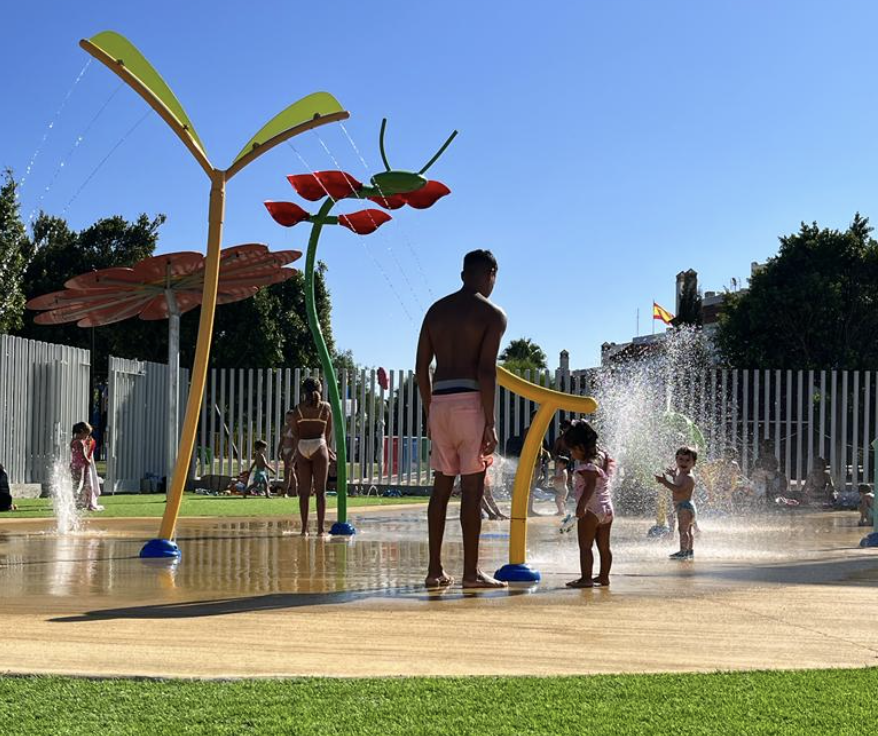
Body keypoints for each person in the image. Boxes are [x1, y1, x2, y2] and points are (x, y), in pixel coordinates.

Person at [416, 249, 508, 589]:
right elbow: (486, 370)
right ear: (491, 275)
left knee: (440, 489)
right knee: (471, 491)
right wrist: (491, 422)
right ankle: (471, 573)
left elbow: (420, 368)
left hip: (440, 401)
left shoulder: (436, 311)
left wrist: (430, 409)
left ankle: (434, 570)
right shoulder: (493, 315)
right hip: (471, 402)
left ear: (462, 274)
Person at [563, 421, 615, 588]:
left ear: (579, 447)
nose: (571, 454)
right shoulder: (603, 456)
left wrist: (581, 506)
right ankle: (603, 577)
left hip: (591, 510)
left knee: (585, 547)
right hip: (606, 509)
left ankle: (586, 578)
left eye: (572, 450)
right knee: (604, 547)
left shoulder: (587, 466)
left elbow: (591, 484)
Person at [292, 377, 333, 536]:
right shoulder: (325, 407)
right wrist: (327, 448)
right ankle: (321, 530)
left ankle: (304, 530)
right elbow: (328, 431)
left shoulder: (298, 409)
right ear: (320, 389)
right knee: (320, 491)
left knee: (304, 492)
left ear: (304, 391)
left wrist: (297, 451)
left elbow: (295, 433)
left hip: (303, 446)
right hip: (319, 444)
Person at [656, 447, 698, 560]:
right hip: (684, 506)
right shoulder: (682, 474)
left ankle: (683, 551)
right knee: (687, 530)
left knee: (683, 530)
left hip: (685, 507)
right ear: (676, 460)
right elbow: (678, 484)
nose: (683, 462)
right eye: (680, 459)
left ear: (694, 463)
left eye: (687, 460)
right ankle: (689, 550)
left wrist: (665, 482)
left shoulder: (689, 477)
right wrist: (674, 476)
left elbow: (678, 489)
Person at [277, 409, 298, 498]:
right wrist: (278, 451)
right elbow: (281, 441)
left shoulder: (295, 429)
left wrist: (292, 454)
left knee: (287, 471)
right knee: (291, 472)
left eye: (289, 419)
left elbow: (295, 444)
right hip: (285, 450)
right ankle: (295, 491)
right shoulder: (284, 428)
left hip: (291, 451)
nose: (287, 421)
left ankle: (285, 491)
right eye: (286, 419)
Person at [480, 455, 508, 520]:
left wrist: (497, 512)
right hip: (476, 470)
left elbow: (488, 497)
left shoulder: (485, 474)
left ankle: (494, 513)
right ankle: (490, 514)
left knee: (486, 495)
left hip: (481, 471)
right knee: (478, 495)